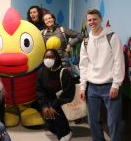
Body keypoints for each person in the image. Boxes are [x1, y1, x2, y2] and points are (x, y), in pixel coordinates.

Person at [79, 9, 125, 141]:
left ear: (101, 20)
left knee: (114, 122)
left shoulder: (112, 37)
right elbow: (84, 66)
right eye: (89, 20)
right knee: (93, 122)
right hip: (92, 88)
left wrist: (116, 84)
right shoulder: (86, 42)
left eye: (94, 19)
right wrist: (83, 87)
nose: (92, 22)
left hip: (110, 86)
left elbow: (119, 62)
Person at [36, 49, 75, 141]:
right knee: (44, 107)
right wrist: (44, 105)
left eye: (51, 57)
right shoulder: (42, 71)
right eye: (46, 57)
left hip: (62, 98)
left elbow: (68, 91)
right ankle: (53, 129)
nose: (48, 59)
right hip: (49, 97)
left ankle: (66, 132)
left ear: (56, 58)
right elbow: (39, 90)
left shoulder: (63, 72)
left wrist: (53, 105)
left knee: (54, 109)